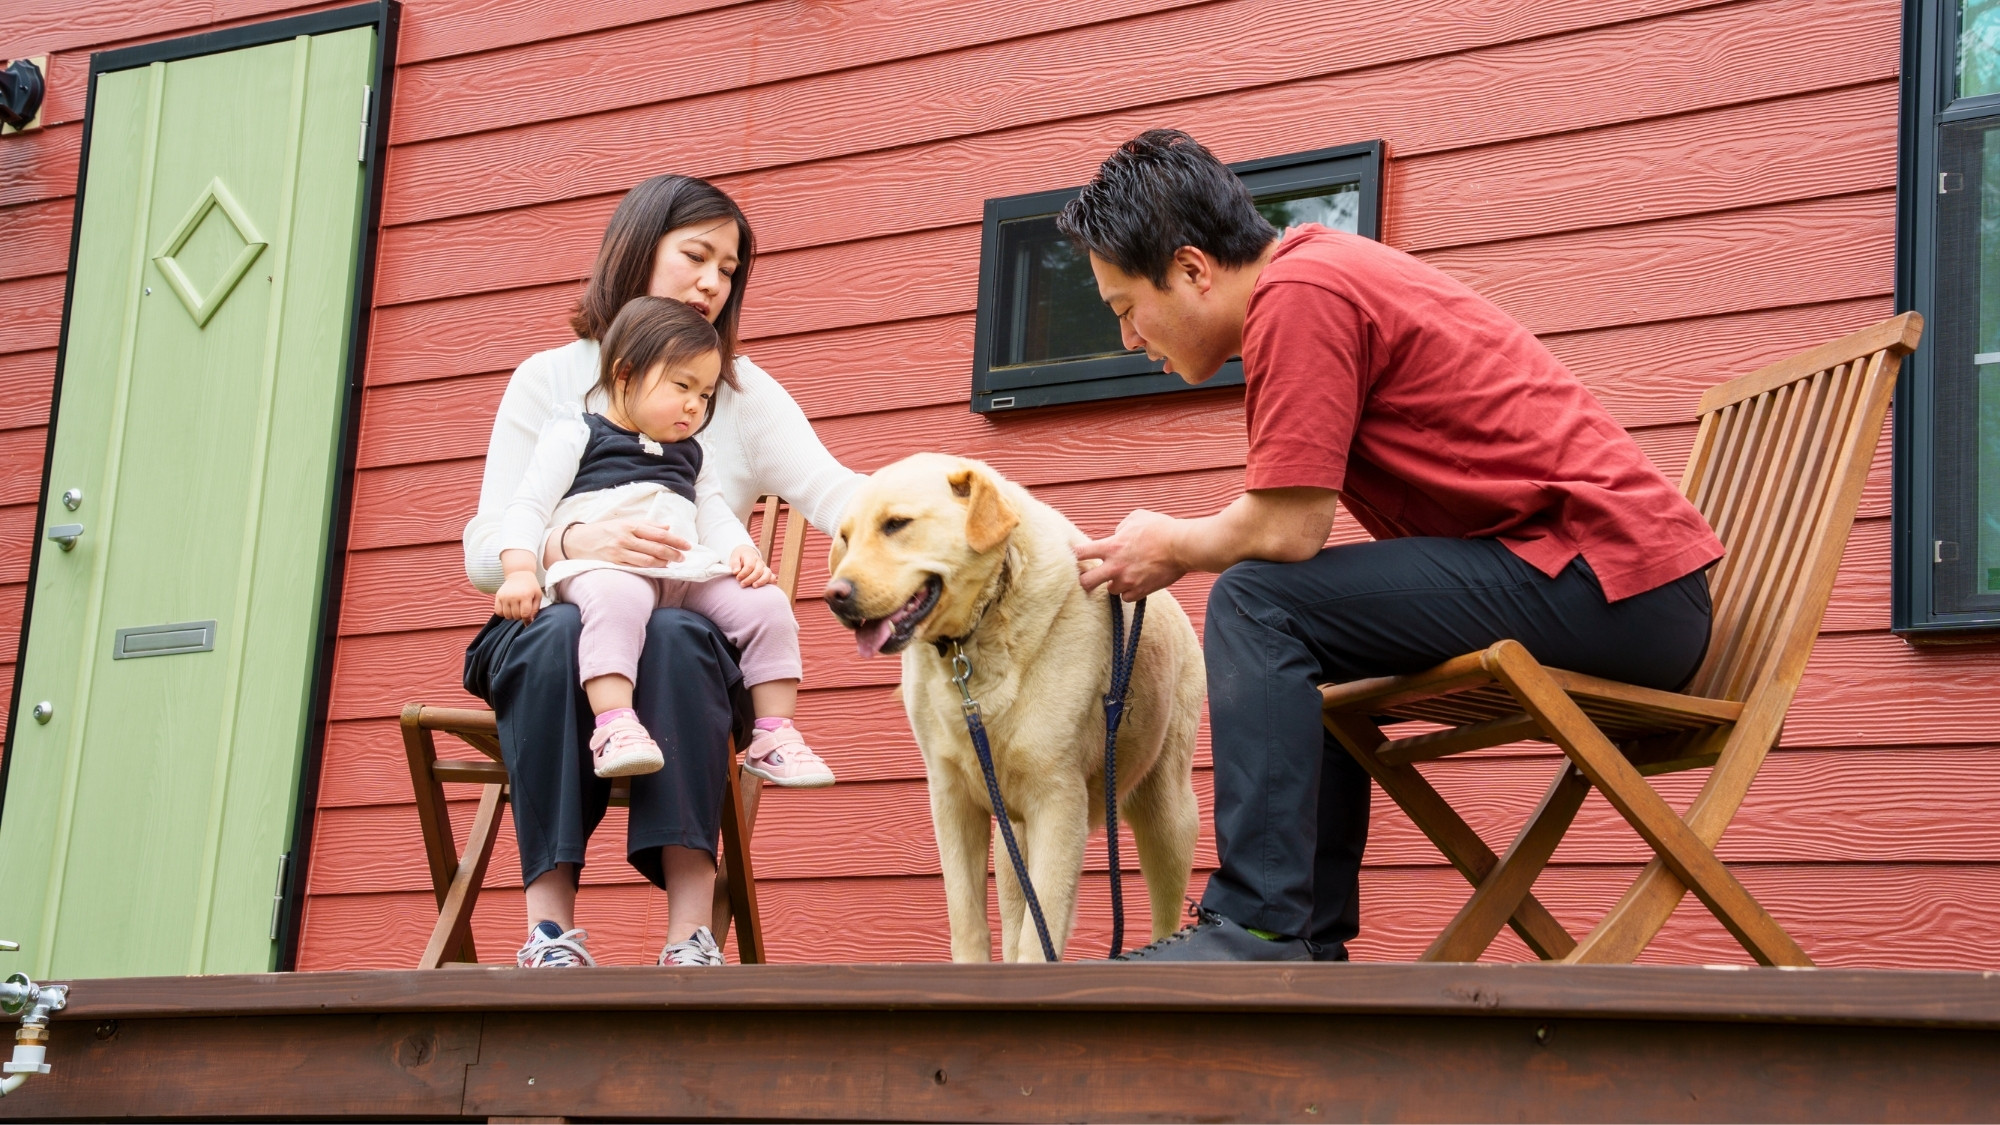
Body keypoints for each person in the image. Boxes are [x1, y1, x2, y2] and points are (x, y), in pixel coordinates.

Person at [1063, 130, 1720, 962]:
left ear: (1193, 269)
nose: (1128, 339)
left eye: (1126, 309)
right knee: (1301, 634)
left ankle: (1260, 925)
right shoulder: (1318, 275)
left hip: (1611, 585)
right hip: (1611, 586)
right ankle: (1298, 936)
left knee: (1259, 600)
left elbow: (1288, 529)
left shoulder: (1301, 292)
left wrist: (1172, 543)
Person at [462, 175, 862, 969]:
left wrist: (942, 508)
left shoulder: (741, 394)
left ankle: (691, 933)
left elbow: (836, 491)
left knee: (678, 633)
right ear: (638, 249)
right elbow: (485, 549)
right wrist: (576, 535)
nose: (714, 282)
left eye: (730, 268)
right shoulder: (548, 379)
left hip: (687, 648)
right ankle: (548, 930)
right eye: (697, 256)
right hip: (553, 629)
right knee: (560, 629)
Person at [493, 296, 831, 788]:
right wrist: (521, 569)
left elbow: (713, 513)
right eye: (682, 386)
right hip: (604, 570)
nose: (696, 404)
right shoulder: (577, 434)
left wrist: (742, 553)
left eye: (706, 394)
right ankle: (614, 725)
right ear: (626, 373)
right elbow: (527, 506)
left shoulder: (694, 454)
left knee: (767, 605)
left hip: (681, 571)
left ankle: (774, 735)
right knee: (620, 598)